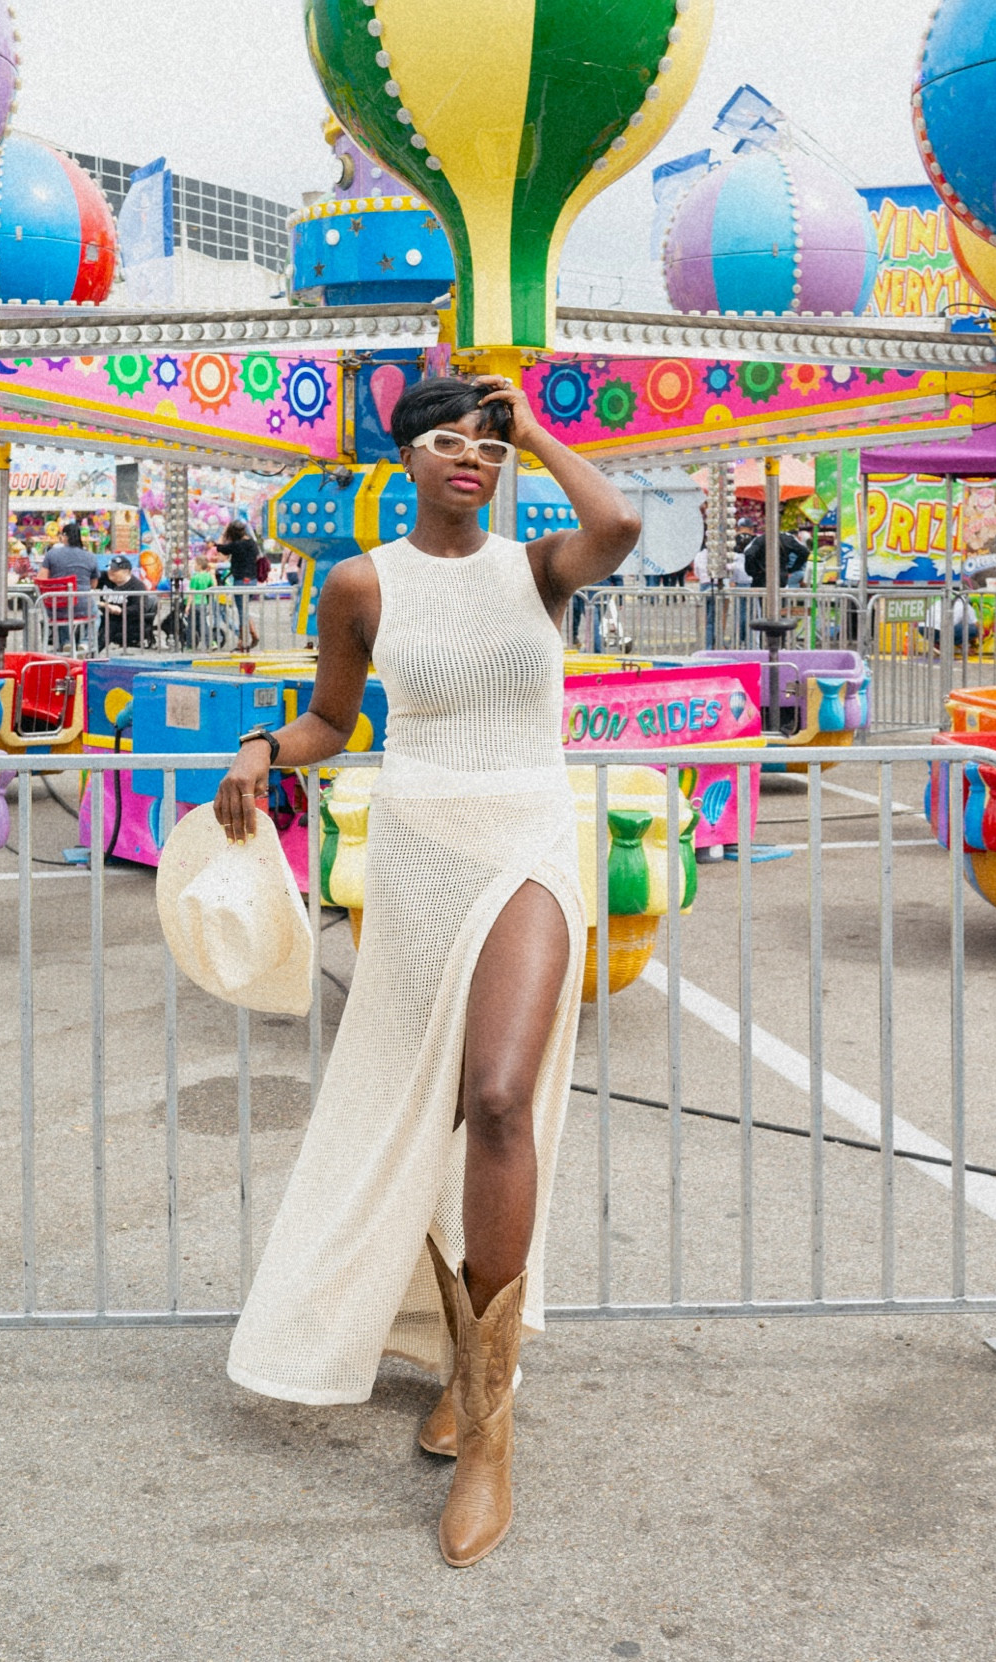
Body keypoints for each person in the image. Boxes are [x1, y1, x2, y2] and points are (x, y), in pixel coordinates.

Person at [214, 374, 639, 1568]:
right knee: (425, 1115)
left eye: (485, 442)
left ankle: (491, 1427)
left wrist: (535, 428)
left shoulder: (537, 566)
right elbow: (334, 726)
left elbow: (618, 528)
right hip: (414, 852)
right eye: (446, 439)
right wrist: (260, 747)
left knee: (499, 1094)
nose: (471, 457)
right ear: (403, 455)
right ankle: (452, 1360)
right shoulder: (360, 582)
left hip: (525, 841)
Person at [220, 519, 261, 652]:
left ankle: (243, 642)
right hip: (252, 580)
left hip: (240, 581)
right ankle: (253, 634)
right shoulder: (252, 543)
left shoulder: (237, 545)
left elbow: (221, 548)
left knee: (242, 611)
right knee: (245, 609)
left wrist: (223, 533)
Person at [97, 554, 154, 648]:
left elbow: (140, 608)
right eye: (110, 568)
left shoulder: (137, 586)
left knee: (111, 624)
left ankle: (92, 654)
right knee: (92, 620)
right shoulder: (105, 578)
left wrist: (121, 611)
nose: (110, 572)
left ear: (126, 571)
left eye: (115, 570)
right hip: (106, 617)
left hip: (129, 623)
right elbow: (92, 578)